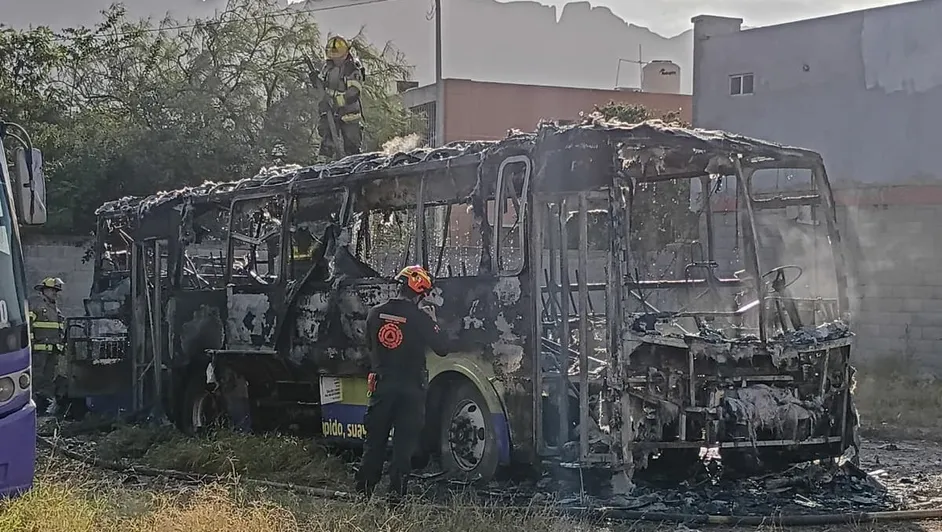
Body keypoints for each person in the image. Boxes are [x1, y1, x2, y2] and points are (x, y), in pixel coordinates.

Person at [355, 265, 449, 500]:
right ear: (420, 294)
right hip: (411, 390)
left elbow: (368, 346)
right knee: (403, 447)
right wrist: (434, 321)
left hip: (382, 386)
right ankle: (396, 497)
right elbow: (442, 348)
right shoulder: (421, 318)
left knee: (374, 442)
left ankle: (363, 493)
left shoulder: (375, 313)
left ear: (399, 286)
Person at [318, 35, 365, 158]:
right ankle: (324, 166)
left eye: (339, 56)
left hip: (349, 114)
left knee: (352, 149)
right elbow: (324, 88)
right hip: (331, 114)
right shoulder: (328, 68)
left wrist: (336, 101)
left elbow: (353, 92)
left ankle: (353, 168)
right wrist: (316, 82)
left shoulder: (352, 68)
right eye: (333, 57)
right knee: (327, 143)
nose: (336, 60)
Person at [28, 277, 65, 417]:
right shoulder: (36, 305)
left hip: (52, 351)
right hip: (39, 351)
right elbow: (29, 326)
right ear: (44, 290)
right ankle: (32, 408)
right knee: (36, 379)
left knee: (48, 380)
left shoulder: (55, 309)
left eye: (57, 291)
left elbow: (59, 330)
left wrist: (61, 346)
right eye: (52, 290)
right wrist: (30, 345)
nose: (55, 293)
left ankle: (44, 408)